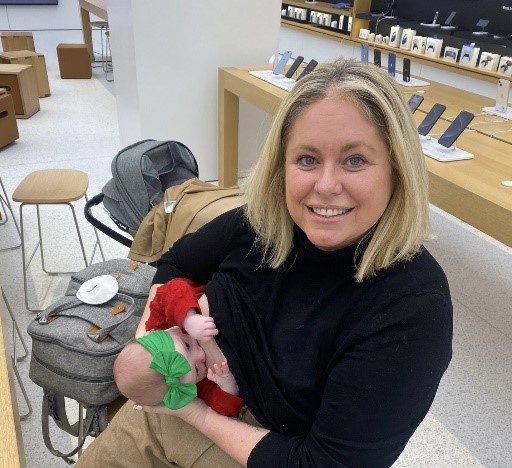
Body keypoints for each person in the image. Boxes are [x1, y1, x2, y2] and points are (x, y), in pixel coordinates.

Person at [76, 58, 453, 467]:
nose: (325, 186)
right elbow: (175, 263)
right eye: (307, 159)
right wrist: (156, 348)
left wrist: (191, 411)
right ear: (282, 164)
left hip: (261, 449)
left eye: (355, 160)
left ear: (398, 169)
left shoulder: (412, 307)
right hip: (172, 407)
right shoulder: (262, 223)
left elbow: (323, 463)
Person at [113, 278, 244, 417]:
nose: (201, 355)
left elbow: (173, 288)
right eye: (197, 369)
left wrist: (188, 319)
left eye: (187, 346)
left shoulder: (160, 322)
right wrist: (228, 385)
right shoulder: (198, 384)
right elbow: (225, 409)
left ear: (158, 333)